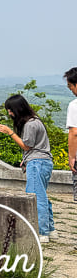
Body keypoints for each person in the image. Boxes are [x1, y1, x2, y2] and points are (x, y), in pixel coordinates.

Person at [0, 94, 54, 241]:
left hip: (37, 163)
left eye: (10, 110)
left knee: (35, 197)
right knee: (42, 195)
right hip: (44, 162)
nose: (9, 113)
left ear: (18, 109)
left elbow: (26, 146)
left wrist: (10, 132)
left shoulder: (30, 124)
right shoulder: (36, 121)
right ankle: (50, 229)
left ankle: (42, 233)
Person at [65, 67, 77, 203]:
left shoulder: (74, 105)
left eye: (70, 86)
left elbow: (74, 133)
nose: (70, 89)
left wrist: (72, 158)